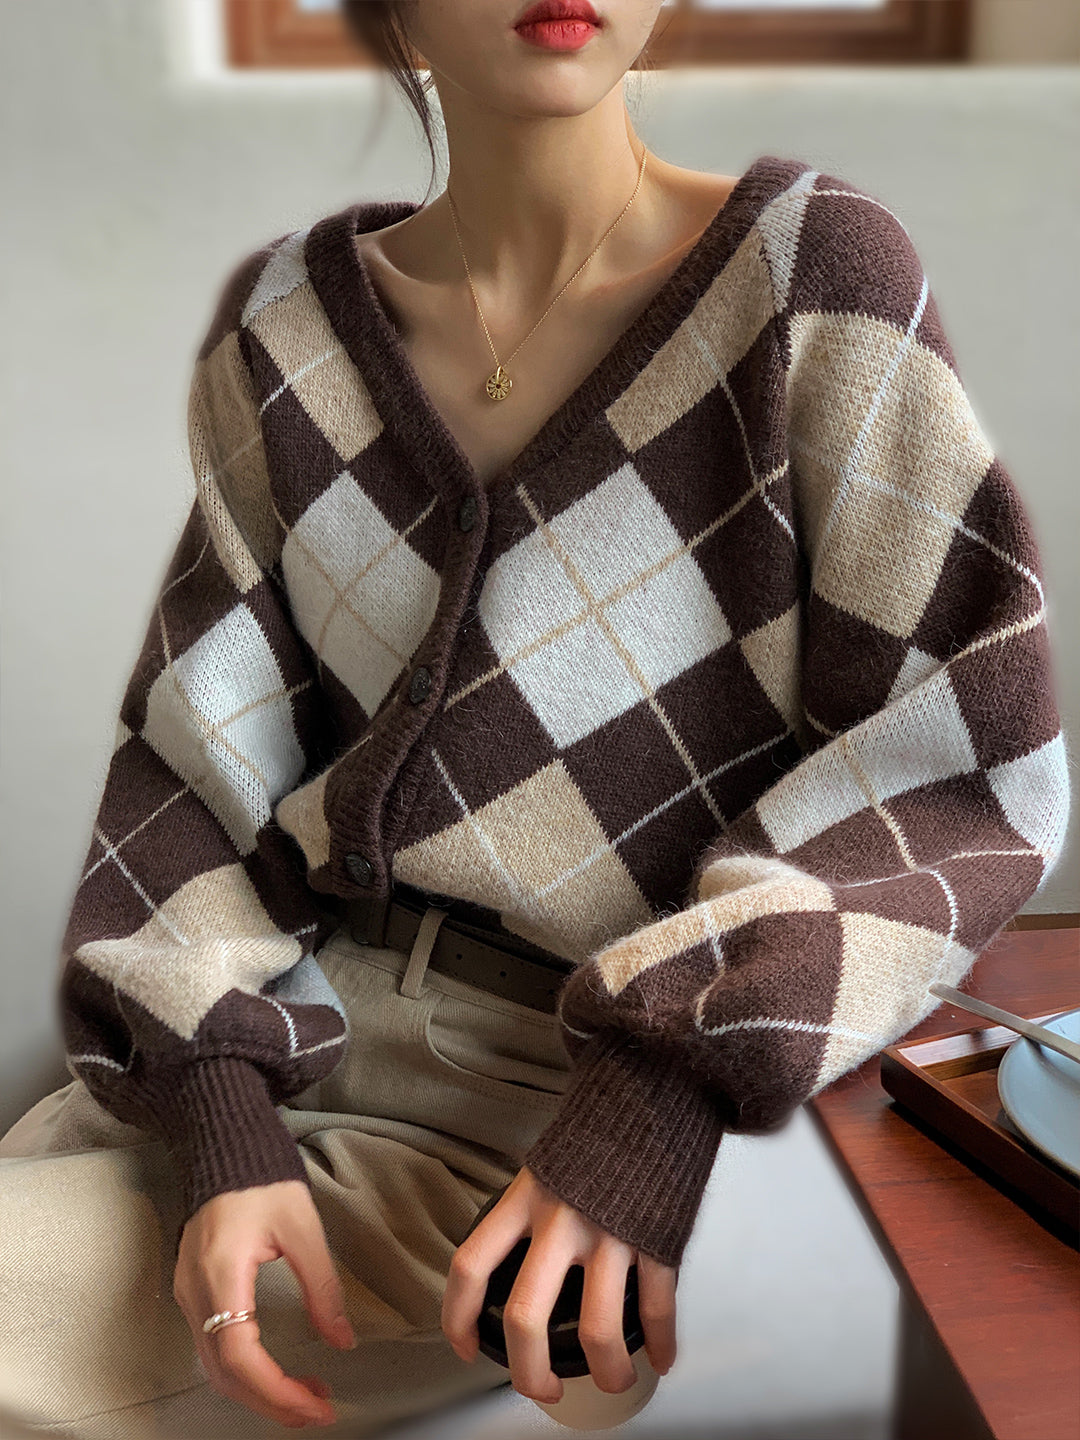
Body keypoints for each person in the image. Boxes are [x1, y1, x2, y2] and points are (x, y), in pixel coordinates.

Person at [0, 1, 1070, 1436]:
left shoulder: (812, 283)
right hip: (252, 1037)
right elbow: (194, 769)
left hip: (522, 1112)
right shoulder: (286, 329)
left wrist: (652, 1105)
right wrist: (217, 1115)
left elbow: (958, 767)